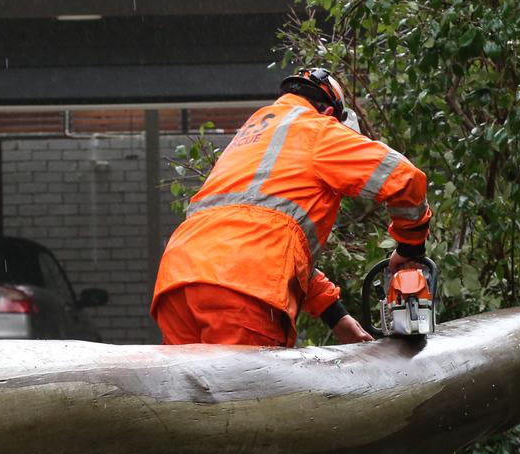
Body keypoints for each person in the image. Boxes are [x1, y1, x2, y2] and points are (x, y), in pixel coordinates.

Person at [152, 67, 432, 349]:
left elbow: (264, 238)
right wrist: (409, 249)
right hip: (243, 286)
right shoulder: (320, 129)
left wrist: (336, 317)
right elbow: (406, 179)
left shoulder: (254, 135)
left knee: (186, 391)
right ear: (331, 114)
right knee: (247, 391)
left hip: (178, 280)